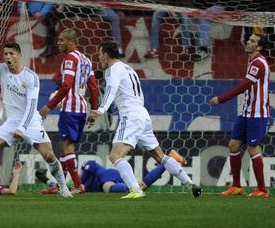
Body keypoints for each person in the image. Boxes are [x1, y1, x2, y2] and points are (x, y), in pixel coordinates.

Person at [0, 33, 72, 198]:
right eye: (5, 54)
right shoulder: (1, 70)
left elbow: (32, 106)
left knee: (49, 156)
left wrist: (23, 127)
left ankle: (63, 187)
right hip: (12, 122)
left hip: (30, 122)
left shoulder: (30, 77)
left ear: (19, 55)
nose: (8, 57)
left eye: (11, 54)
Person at [89, 41, 202, 199]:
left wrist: (100, 110)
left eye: (100, 53)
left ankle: (136, 190)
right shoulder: (129, 69)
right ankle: (191, 184)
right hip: (142, 114)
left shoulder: (113, 70)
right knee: (159, 156)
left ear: (106, 55)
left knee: (115, 156)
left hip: (130, 115)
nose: (99, 56)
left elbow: (111, 90)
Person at [39, 29, 99, 194]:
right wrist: (94, 109)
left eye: (62, 40)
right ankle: (60, 184)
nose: (58, 43)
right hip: (81, 109)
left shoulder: (69, 59)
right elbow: (93, 86)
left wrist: (49, 105)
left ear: (71, 42)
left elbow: (66, 85)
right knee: (65, 146)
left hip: (70, 109)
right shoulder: (86, 60)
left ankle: (78, 184)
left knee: (66, 148)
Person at [210, 34, 270, 198]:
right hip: (246, 111)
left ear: (258, 47)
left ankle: (262, 189)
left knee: (252, 147)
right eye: (249, 39)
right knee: (233, 145)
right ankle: (236, 186)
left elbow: (245, 86)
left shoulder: (258, 62)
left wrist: (220, 99)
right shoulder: (251, 61)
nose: (248, 42)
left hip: (257, 113)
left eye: (252, 41)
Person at [81, 149, 186, 193]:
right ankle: (169, 159)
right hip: (115, 179)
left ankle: (134, 188)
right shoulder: (87, 187)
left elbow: (89, 167)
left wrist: (78, 182)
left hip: (107, 176)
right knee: (142, 186)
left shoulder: (86, 167)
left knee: (107, 187)